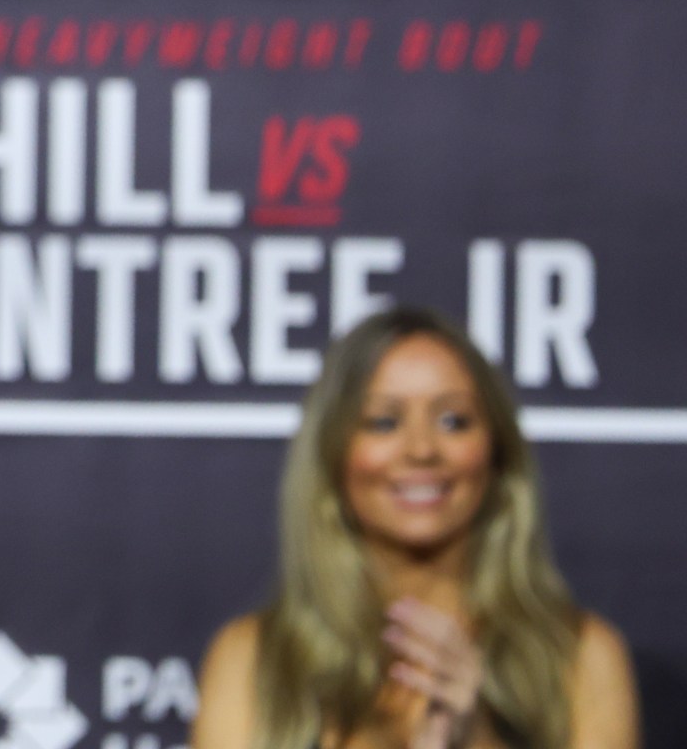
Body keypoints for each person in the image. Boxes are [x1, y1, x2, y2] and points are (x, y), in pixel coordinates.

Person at [192, 305, 639, 749]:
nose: (422, 449)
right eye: (384, 422)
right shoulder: (252, 661)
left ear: (497, 450)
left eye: (453, 420)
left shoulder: (580, 659)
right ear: (333, 453)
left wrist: (474, 739)